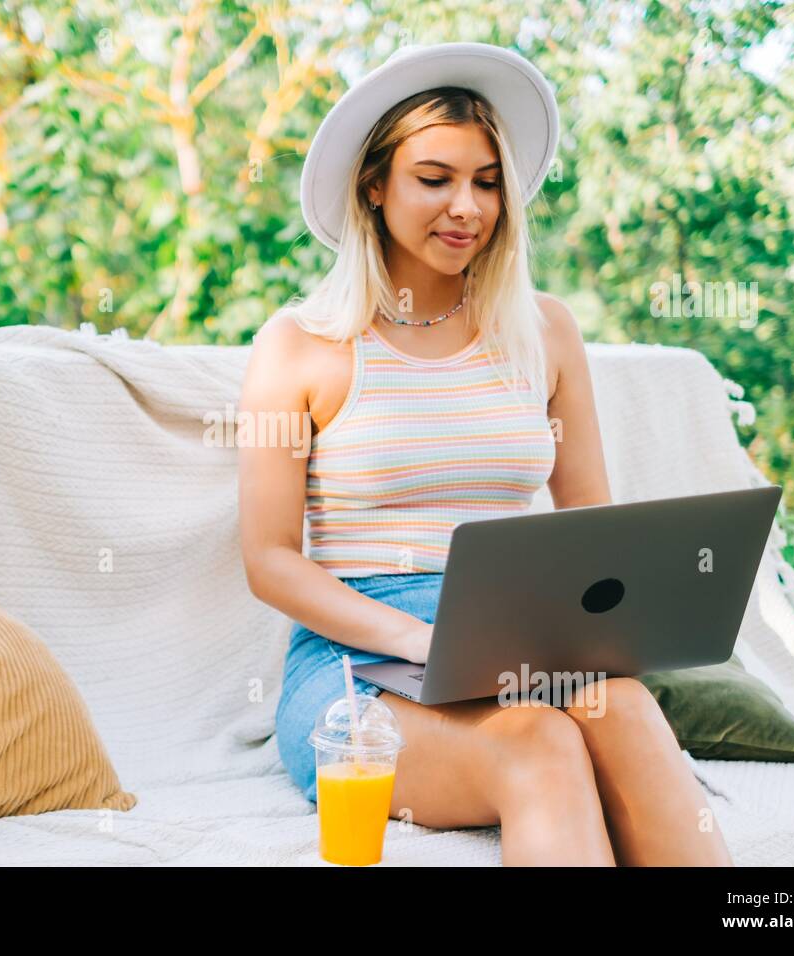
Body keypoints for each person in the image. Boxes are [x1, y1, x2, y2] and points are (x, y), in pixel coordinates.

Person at [238, 42, 731, 866]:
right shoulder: (299, 345)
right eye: (434, 179)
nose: (466, 206)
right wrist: (428, 641)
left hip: (523, 641)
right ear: (375, 186)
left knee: (630, 711)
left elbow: (592, 528)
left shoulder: (546, 331)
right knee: (540, 744)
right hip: (358, 663)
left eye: (487, 181)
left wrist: (615, 629)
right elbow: (269, 560)